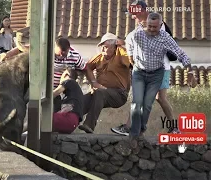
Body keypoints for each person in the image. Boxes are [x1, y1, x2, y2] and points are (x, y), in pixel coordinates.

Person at [111, 0, 182, 136]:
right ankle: (132, 127)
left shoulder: (157, 24)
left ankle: (172, 128)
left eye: (134, 13)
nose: (132, 16)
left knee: (159, 98)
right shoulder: (140, 27)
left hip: (159, 68)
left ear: (142, 10)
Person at [126, 12, 195, 148]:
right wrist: (131, 57)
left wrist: (190, 70)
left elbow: (180, 53)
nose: (152, 30)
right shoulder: (137, 34)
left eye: (155, 27)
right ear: (146, 24)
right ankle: (133, 135)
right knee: (136, 103)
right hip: (139, 73)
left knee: (147, 104)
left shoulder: (165, 37)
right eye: (150, 26)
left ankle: (142, 129)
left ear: (160, 25)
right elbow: (129, 43)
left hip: (156, 74)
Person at [78, 33, 131, 133]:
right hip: (102, 93)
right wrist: (93, 82)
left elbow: (131, 60)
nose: (102, 49)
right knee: (82, 101)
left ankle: (89, 125)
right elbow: (87, 68)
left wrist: (121, 45)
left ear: (114, 47)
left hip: (119, 94)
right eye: (102, 47)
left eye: (106, 47)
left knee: (99, 93)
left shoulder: (120, 53)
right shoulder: (99, 57)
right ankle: (68, 123)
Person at [53, 37, 87, 112]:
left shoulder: (75, 56)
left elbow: (84, 69)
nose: (61, 56)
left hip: (66, 90)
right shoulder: (46, 54)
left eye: (64, 54)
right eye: (59, 54)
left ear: (69, 49)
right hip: (51, 88)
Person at [52, 68, 84, 134]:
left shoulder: (70, 81)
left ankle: (24, 129)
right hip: (72, 124)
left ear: (66, 75)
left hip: (68, 118)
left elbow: (54, 93)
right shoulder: (74, 92)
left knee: (38, 119)